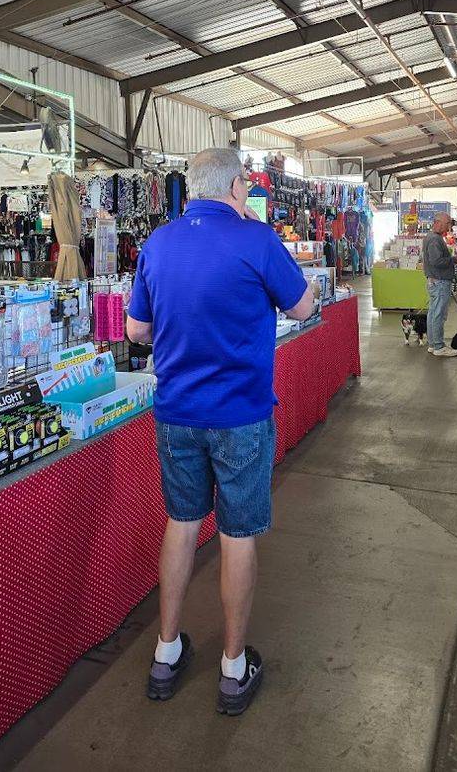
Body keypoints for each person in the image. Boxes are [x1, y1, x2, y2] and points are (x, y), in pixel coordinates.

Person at [126, 147, 314, 715]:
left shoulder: (158, 243)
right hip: (241, 417)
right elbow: (304, 307)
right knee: (237, 534)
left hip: (177, 412)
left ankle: (165, 652)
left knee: (181, 523)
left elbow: (136, 329)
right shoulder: (256, 240)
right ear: (236, 186)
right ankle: (233, 668)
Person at [422, 211, 457, 358]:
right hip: (440, 281)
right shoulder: (435, 240)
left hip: (435, 280)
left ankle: (433, 344)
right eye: (448, 223)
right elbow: (436, 261)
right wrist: (452, 260)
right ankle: (438, 346)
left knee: (433, 313)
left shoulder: (432, 238)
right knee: (438, 314)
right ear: (439, 223)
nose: (449, 226)